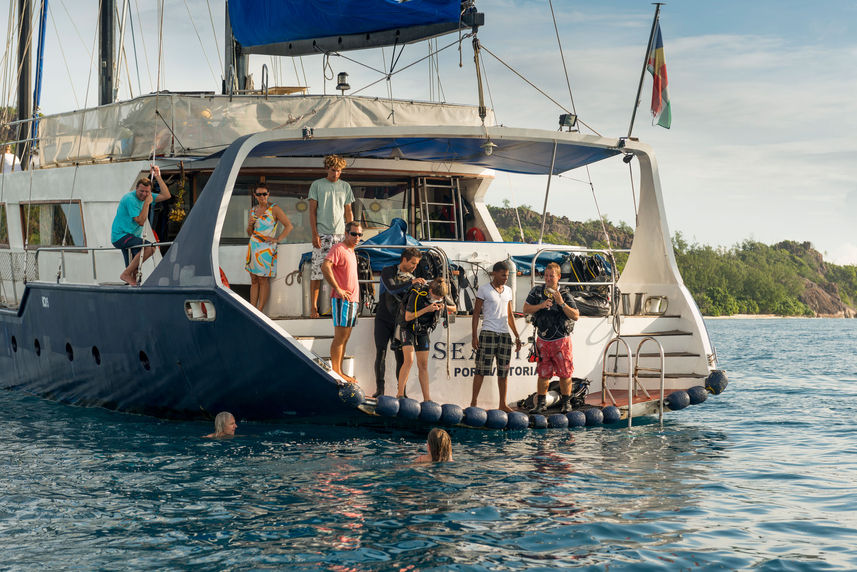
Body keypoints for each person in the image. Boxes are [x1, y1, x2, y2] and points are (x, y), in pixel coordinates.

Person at [522, 261, 580, 414]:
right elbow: (526, 309)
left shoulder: (565, 295)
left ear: (558, 277)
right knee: (543, 374)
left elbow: (575, 316)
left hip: (561, 341)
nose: (548, 278)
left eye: (551, 276)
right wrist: (540, 305)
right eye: (546, 276)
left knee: (565, 373)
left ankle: (566, 404)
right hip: (543, 341)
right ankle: (541, 404)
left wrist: (561, 303)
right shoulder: (536, 292)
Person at [373, 247, 426, 397]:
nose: (415, 267)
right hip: (383, 319)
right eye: (413, 263)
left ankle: (401, 392)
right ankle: (380, 390)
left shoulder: (411, 277)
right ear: (404, 259)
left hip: (399, 322)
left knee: (400, 357)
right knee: (381, 352)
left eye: (416, 264)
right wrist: (412, 283)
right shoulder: (388, 270)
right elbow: (391, 288)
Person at [470, 261, 522, 412]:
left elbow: (510, 315)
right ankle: (473, 402)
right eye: (503, 275)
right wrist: (474, 335)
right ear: (494, 273)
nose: (506, 278)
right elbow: (476, 313)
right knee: (481, 370)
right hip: (488, 333)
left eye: (507, 275)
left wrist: (517, 335)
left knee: (503, 372)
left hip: (505, 335)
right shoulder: (484, 289)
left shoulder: (508, 291)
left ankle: (502, 404)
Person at [396, 277, 456, 402]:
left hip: (423, 330)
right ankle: (400, 393)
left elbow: (454, 308)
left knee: (423, 364)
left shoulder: (442, 296)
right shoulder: (418, 294)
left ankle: (427, 398)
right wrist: (427, 309)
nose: (438, 299)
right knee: (409, 360)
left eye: (440, 298)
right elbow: (408, 316)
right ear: (430, 290)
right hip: (408, 327)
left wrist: (443, 306)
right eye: (436, 296)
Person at [308, 154, 354, 318]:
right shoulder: (317, 185)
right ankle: (313, 308)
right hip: (322, 233)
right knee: (317, 272)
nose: (336, 174)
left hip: (342, 235)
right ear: (327, 169)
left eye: (339, 170)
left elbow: (348, 211)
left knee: (342, 272)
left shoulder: (346, 186)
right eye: (333, 170)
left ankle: (341, 306)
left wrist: (352, 235)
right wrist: (314, 234)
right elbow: (312, 212)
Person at [111, 165, 172, 285]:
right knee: (150, 247)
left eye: (147, 192)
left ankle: (132, 284)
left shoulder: (148, 196)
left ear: (150, 191)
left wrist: (158, 176)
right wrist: (147, 204)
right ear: (136, 189)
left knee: (134, 271)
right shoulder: (130, 199)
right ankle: (125, 274)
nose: (144, 194)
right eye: (141, 191)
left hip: (132, 237)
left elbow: (166, 195)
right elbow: (140, 221)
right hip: (121, 236)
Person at [321, 221, 363, 383]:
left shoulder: (351, 251)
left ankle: (340, 370)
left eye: (359, 234)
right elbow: (326, 266)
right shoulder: (338, 248)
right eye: (354, 234)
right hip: (342, 300)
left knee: (345, 338)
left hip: (352, 300)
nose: (357, 237)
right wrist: (337, 288)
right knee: (340, 337)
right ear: (346, 234)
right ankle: (336, 372)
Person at [245, 183, 293, 311]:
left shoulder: (274, 209)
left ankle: (259, 310)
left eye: (264, 194)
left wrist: (277, 239)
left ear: (268, 194)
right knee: (254, 279)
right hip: (254, 246)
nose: (262, 197)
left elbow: (289, 226)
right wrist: (250, 225)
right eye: (259, 194)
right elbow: (250, 233)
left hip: (266, 248)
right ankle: (252, 308)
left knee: (262, 279)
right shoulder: (253, 210)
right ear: (255, 196)